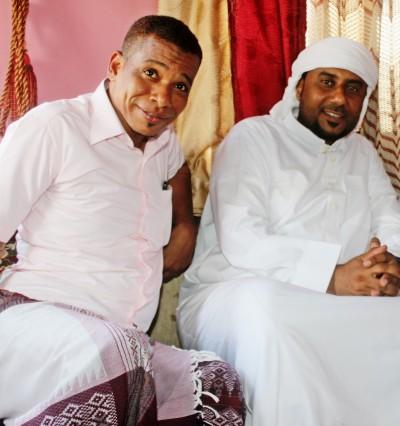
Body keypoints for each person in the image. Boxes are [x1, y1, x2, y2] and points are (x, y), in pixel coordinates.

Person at [177, 37, 400, 426]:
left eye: (353, 88)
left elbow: (391, 221)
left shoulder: (363, 153)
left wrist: (393, 267)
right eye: (327, 82)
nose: (339, 98)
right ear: (300, 86)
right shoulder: (253, 136)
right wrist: (333, 275)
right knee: (267, 309)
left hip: (345, 299)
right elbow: (243, 239)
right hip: (238, 291)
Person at [0, 15, 243, 425]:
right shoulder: (54, 127)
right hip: (36, 323)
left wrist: (186, 226)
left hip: (123, 345)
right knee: (116, 352)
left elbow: (178, 168)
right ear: (116, 66)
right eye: (151, 73)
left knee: (216, 380)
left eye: (180, 86)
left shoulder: (164, 144)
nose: (162, 98)